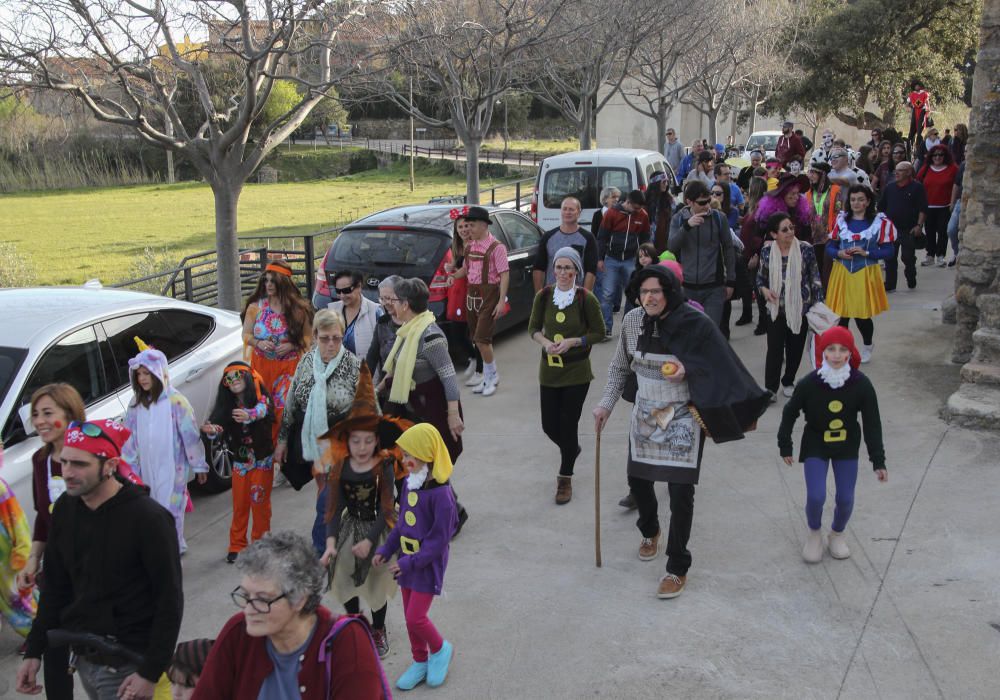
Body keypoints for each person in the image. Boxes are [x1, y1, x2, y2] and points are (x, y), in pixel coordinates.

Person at [593, 265, 768, 599]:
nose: (649, 298)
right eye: (644, 292)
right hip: (645, 412)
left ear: (670, 291)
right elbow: (619, 367)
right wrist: (605, 405)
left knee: (680, 494)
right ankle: (650, 529)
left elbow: (719, 364)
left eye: (656, 291)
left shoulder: (695, 323)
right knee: (638, 482)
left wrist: (689, 369)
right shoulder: (631, 321)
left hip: (682, 417)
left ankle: (677, 566)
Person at [17, 419, 183, 700]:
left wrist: (150, 671)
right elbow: (55, 589)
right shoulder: (65, 511)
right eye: (65, 462)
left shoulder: (148, 519)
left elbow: (169, 600)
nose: (67, 473)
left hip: (131, 667)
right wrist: (34, 651)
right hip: (84, 661)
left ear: (110, 466)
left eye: (79, 464)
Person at [192, 531, 388, 699]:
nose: (248, 609)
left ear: (299, 598)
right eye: (245, 595)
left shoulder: (348, 643)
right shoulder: (238, 632)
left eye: (262, 598)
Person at [319, 365, 409, 659]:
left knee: (374, 581)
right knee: (343, 577)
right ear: (347, 440)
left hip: (376, 528)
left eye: (368, 440)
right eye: (355, 440)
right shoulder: (340, 467)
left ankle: (378, 628)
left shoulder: (382, 465)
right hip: (349, 527)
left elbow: (387, 509)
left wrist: (371, 540)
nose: (361, 447)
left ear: (377, 441)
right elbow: (333, 508)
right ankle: (356, 624)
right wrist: (331, 543)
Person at [778, 326, 887, 563]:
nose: (836, 355)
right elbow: (790, 412)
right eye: (831, 349)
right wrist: (785, 445)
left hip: (846, 445)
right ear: (822, 353)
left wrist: (878, 459)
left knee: (846, 498)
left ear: (849, 353)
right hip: (816, 443)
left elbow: (872, 423)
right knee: (816, 496)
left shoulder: (861, 384)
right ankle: (814, 533)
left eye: (842, 350)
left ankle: (837, 533)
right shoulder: (809, 383)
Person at [373, 423, 458, 691]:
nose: (405, 460)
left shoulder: (441, 495)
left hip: (426, 564)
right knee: (409, 614)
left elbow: (437, 541)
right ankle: (420, 660)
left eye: (411, 455)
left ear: (427, 455)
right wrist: (386, 550)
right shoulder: (411, 484)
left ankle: (440, 649)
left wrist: (409, 561)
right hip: (407, 562)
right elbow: (402, 526)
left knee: (415, 617)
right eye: (404, 454)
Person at [275, 308, 362, 556]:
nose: (331, 344)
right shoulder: (306, 362)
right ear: (314, 335)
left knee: (330, 492)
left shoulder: (352, 366)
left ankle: (321, 545)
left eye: (336, 337)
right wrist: (281, 441)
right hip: (312, 438)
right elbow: (291, 402)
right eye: (325, 338)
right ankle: (332, 532)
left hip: (341, 439)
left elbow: (369, 408)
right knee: (323, 488)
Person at [17, 384, 85, 699]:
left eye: (48, 413)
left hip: (96, 573)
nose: (40, 421)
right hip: (58, 576)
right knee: (54, 657)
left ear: (70, 414)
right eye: (35, 414)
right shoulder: (39, 460)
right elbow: (44, 521)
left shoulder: (91, 455)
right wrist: (33, 560)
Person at [528, 247, 605, 504]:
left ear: (576, 271)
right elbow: (533, 329)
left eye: (568, 268)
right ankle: (571, 450)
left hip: (577, 372)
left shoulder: (586, 298)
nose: (563, 272)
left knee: (568, 424)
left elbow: (598, 333)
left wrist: (574, 341)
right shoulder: (544, 296)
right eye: (559, 267)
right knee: (549, 425)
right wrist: (544, 342)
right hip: (550, 370)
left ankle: (565, 478)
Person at [122, 347, 208, 554]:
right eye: (139, 374)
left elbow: (189, 435)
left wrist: (198, 465)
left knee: (172, 509)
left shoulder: (176, 401)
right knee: (149, 508)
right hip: (145, 470)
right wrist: (128, 469)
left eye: (147, 373)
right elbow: (128, 438)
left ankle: (173, 545)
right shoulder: (135, 404)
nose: (142, 379)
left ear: (159, 372)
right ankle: (155, 545)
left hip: (172, 468)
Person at [202, 362, 275, 564]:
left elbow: (263, 410)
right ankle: (237, 545)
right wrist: (212, 430)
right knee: (240, 504)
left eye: (238, 376)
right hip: (240, 463)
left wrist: (249, 415)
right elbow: (219, 427)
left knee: (259, 503)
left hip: (262, 460)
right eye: (229, 379)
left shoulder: (260, 396)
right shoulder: (227, 406)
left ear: (248, 378)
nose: (234, 381)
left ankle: (261, 544)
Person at [242, 260, 314, 444]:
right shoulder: (255, 308)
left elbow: (308, 338)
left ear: (284, 282)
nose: (269, 285)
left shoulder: (299, 309)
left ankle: (281, 449)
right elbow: (246, 334)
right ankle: (267, 448)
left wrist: (293, 345)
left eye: (273, 281)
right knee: (262, 406)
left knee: (283, 409)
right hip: (261, 367)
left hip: (288, 368)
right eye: (266, 281)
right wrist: (258, 343)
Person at [826, 186, 897, 363]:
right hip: (842, 272)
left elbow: (889, 251)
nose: (856, 203)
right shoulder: (841, 220)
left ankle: (867, 345)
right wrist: (838, 253)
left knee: (861, 315)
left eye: (860, 199)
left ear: (868, 201)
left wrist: (868, 254)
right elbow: (829, 246)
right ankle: (843, 349)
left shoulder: (880, 223)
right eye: (853, 199)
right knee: (842, 315)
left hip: (865, 273)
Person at [757, 213, 824, 398]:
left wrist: (819, 307)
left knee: (795, 349)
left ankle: (788, 381)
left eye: (791, 228)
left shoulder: (806, 249)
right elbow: (760, 279)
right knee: (775, 350)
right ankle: (770, 389)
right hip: (776, 309)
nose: (790, 232)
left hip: (800, 309)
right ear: (773, 234)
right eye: (784, 229)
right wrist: (764, 291)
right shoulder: (767, 252)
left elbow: (815, 279)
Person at [449, 205, 508, 397]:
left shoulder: (497, 247)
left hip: (489, 295)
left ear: (483, 225)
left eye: (472, 225)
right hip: (471, 295)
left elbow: (505, 275)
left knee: (483, 339)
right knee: (476, 338)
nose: (468, 230)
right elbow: (466, 269)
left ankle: (493, 375)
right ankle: (487, 376)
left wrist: (500, 301)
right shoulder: (470, 246)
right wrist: (453, 276)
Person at [667, 180, 736, 326]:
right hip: (687, 287)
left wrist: (730, 281)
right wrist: (687, 226)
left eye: (708, 201)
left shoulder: (719, 218)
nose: (706, 206)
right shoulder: (679, 219)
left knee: (710, 332)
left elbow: (729, 249)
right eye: (701, 203)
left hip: (714, 287)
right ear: (689, 202)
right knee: (690, 332)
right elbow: (671, 247)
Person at [597, 189, 651, 336]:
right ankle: (606, 328)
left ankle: (627, 327)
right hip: (611, 259)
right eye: (635, 208)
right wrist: (600, 258)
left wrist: (645, 258)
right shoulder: (611, 214)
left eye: (640, 208)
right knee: (607, 294)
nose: (638, 211)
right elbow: (602, 237)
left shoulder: (642, 216)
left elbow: (646, 238)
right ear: (627, 202)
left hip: (631, 260)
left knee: (632, 293)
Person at [879, 161, 928, 291]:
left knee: (907, 257)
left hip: (909, 229)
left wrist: (919, 225)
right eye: (896, 170)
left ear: (908, 172)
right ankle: (890, 285)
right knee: (890, 258)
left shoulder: (917, 188)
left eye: (900, 170)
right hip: (891, 229)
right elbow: (881, 208)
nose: (897, 173)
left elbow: (923, 208)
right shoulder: (889, 188)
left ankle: (911, 277)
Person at [0, 459, 36, 639]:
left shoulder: (0, 488)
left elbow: (17, 521)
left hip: (8, 560)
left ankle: (36, 635)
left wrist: (22, 552)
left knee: (20, 600)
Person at [532, 196, 598, 292]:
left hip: (576, 295)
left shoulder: (588, 238)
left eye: (571, 209)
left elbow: (591, 271)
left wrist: (585, 296)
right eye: (565, 209)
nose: (567, 212)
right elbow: (539, 268)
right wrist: (539, 295)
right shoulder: (548, 237)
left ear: (578, 213)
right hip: (551, 295)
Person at [916, 144, 959, 267]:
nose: (937, 157)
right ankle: (930, 255)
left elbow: (958, 184)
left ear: (945, 156)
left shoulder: (953, 168)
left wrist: (954, 201)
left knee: (942, 232)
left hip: (945, 206)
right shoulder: (926, 168)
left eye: (941, 155)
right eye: (935, 155)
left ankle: (940, 256)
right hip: (928, 206)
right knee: (929, 231)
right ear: (931, 156)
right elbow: (918, 182)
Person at [738, 177, 770, 332]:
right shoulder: (752, 207)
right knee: (750, 286)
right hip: (747, 251)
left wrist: (756, 256)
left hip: (753, 254)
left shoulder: (761, 208)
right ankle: (750, 315)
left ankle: (764, 322)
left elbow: (760, 234)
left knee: (759, 289)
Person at [329, 269, 382, 360]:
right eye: (338, 291)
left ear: (359, 287)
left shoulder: (375, 312)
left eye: (346, 290)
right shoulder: (332, 311)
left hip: (365, 371)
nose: (342, 296)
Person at [806, 162, 844, 289]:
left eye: (813, 173)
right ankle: (819, 293)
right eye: (810, 172)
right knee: (816, 265)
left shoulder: (835, 190)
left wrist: (836, 232)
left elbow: (839, 212)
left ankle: (828, 293)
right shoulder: (809, 193)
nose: (810, 175)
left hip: (829, 234)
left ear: (822, 174)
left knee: (827, 266)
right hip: (814, 235)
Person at [645, 172, 674, 251]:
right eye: (663, 182)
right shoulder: (645, 200)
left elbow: (671, 220)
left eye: (667, 182)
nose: (666, 184)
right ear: (656, 183)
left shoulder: (668, 199)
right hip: (646, 242)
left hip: (663, 242)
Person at [946, 160, 965, 267]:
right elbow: (956, 184)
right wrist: (952, 202)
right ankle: (957, 253)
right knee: (951, 229)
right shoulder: (963, 165)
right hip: (960, 201)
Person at [908, 81, 932, 150]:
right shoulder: (912, 94)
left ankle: (919, 143)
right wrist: (913, 105)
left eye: (918, 86)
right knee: (913, 127)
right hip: (915, 111)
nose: (917, 87)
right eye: (916, 86)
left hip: (922, 111)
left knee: (920, 127)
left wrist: (928, 109)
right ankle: (910, 144)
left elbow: (927, 102)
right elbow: (910, 103)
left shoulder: (924, 93)